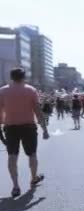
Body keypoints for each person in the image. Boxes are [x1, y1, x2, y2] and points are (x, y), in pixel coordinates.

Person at [0, 68, 49, 197]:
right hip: (28, 126)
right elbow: (38, 111)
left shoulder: (2, 91)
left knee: (12, 156)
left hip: (10, 127)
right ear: (23, 77)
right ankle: (33, 178)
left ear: (11, 77)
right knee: (32, 154)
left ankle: (15, 186)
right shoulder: (30, 90)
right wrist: (45, 129)